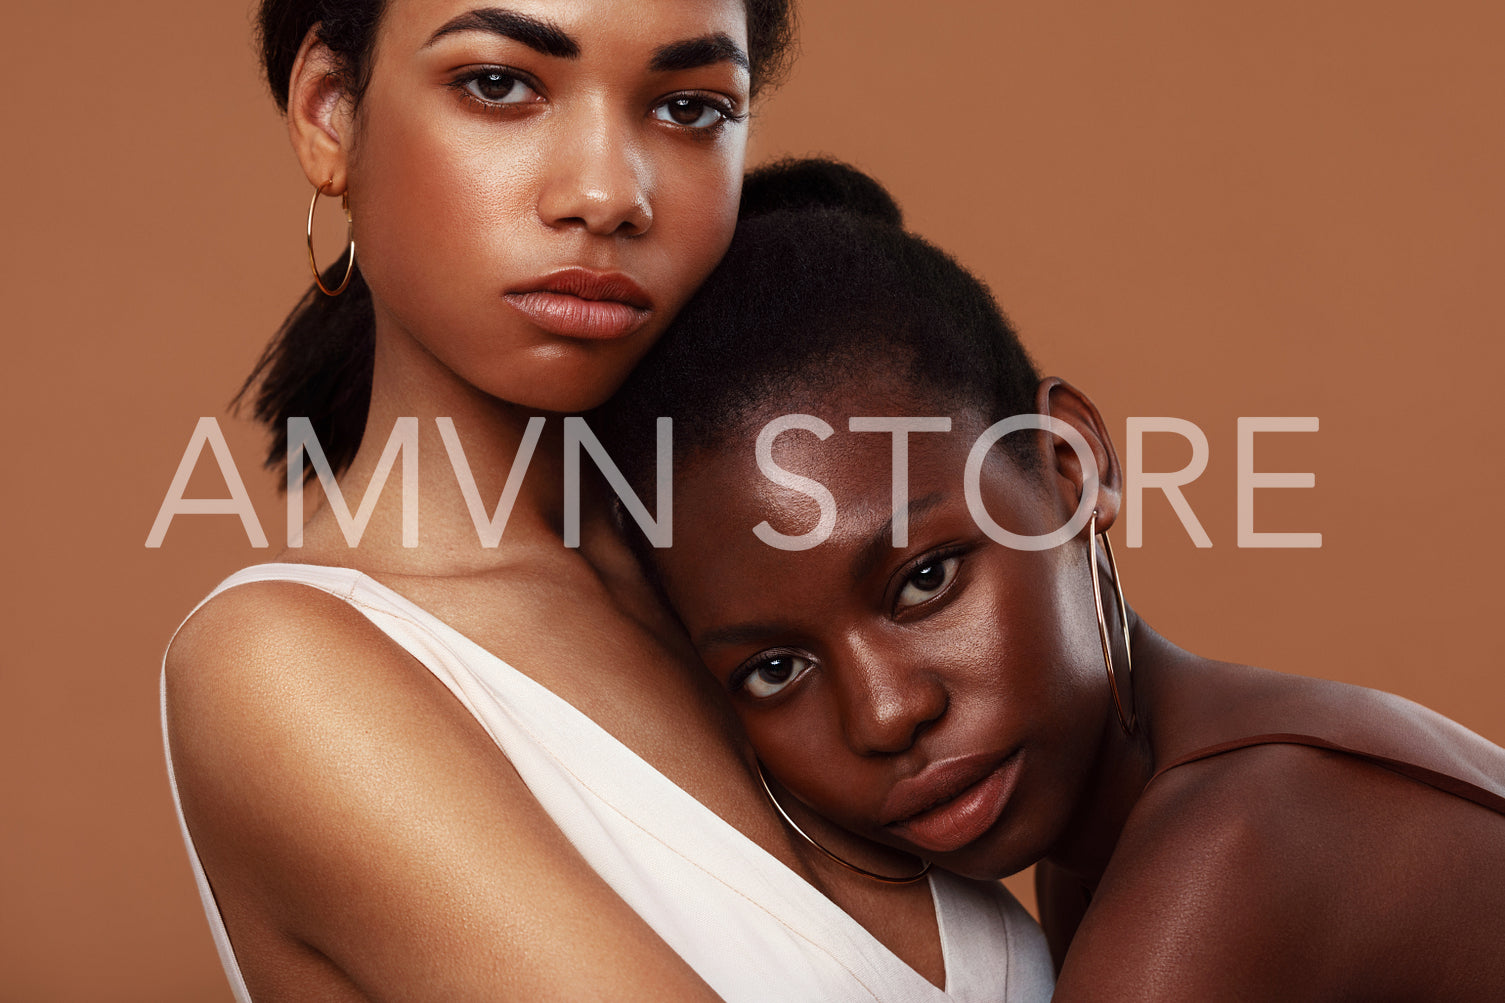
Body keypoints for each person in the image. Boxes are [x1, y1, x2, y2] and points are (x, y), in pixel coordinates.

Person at [162, 4, 1054, 1002]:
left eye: (687, 107)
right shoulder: (283, 666)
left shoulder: (763, 573)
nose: (606, 193)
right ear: (331, 114)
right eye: (500, 84)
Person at [601, 159, 1505, 1001]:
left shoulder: (1229, 852)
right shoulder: (1133, 828)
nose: (882, 714)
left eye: (924, 581)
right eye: (775, 669)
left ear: (1071, 466)